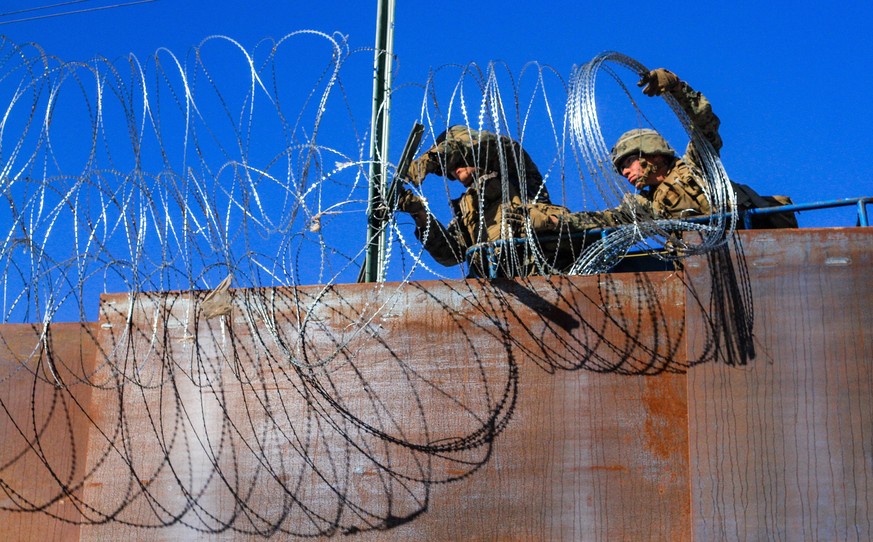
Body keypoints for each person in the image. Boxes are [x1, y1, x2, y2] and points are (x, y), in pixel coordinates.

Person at [556, 68, 795, 233]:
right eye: (621, 169)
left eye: (628, 162)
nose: (625, 172)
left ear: (652, 153)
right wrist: (555, 221)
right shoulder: (649, 205)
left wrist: (676, 87)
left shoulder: (697, 165)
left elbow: (703, 122)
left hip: (752, 238)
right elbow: (605, 220)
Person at [396, 125, 572, 277]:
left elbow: (485, 144)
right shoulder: (468, 208)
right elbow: (451, 254)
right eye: (449, 170)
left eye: (458, 161)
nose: (455, 170)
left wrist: (431, 159)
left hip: (538, 269)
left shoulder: (511, 169)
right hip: (497, 286)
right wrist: (419, 213)